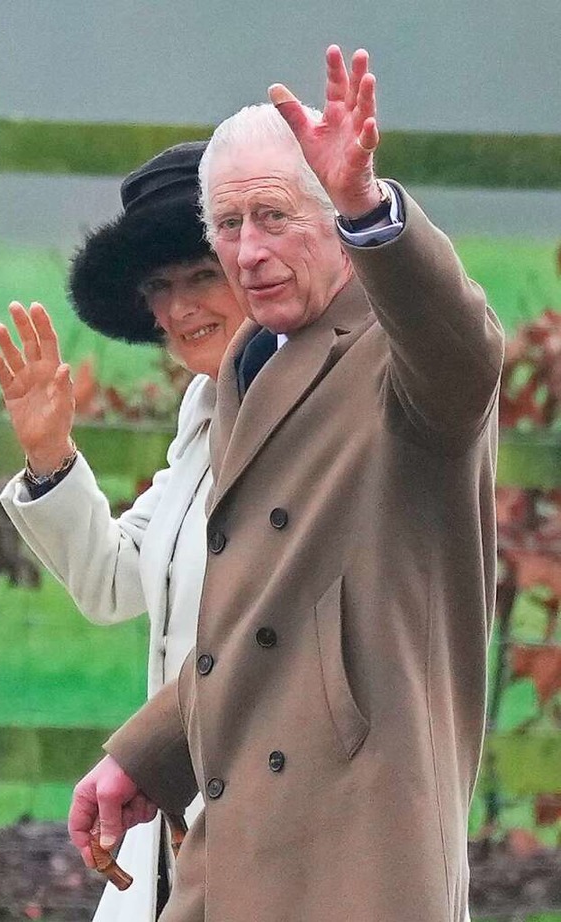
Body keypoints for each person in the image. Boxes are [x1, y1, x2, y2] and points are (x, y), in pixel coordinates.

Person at [68, 45, 504, 922]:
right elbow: (262, 616)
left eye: (273, 217)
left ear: (328, 217)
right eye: (228, 227)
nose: (249, 253)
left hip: (361, 849)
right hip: (234, 843)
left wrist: (369, 209)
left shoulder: (399, 348)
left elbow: (467, 356)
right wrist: (144, 757)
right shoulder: (247, 364)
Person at [0, 141, 246, 922]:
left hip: (269, 825)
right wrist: (49, 456)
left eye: (201, 275)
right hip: (163, 825)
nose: (177, 308)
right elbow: (115, 581)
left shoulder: (317, 413)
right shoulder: (202, 415)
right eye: (158, 287)